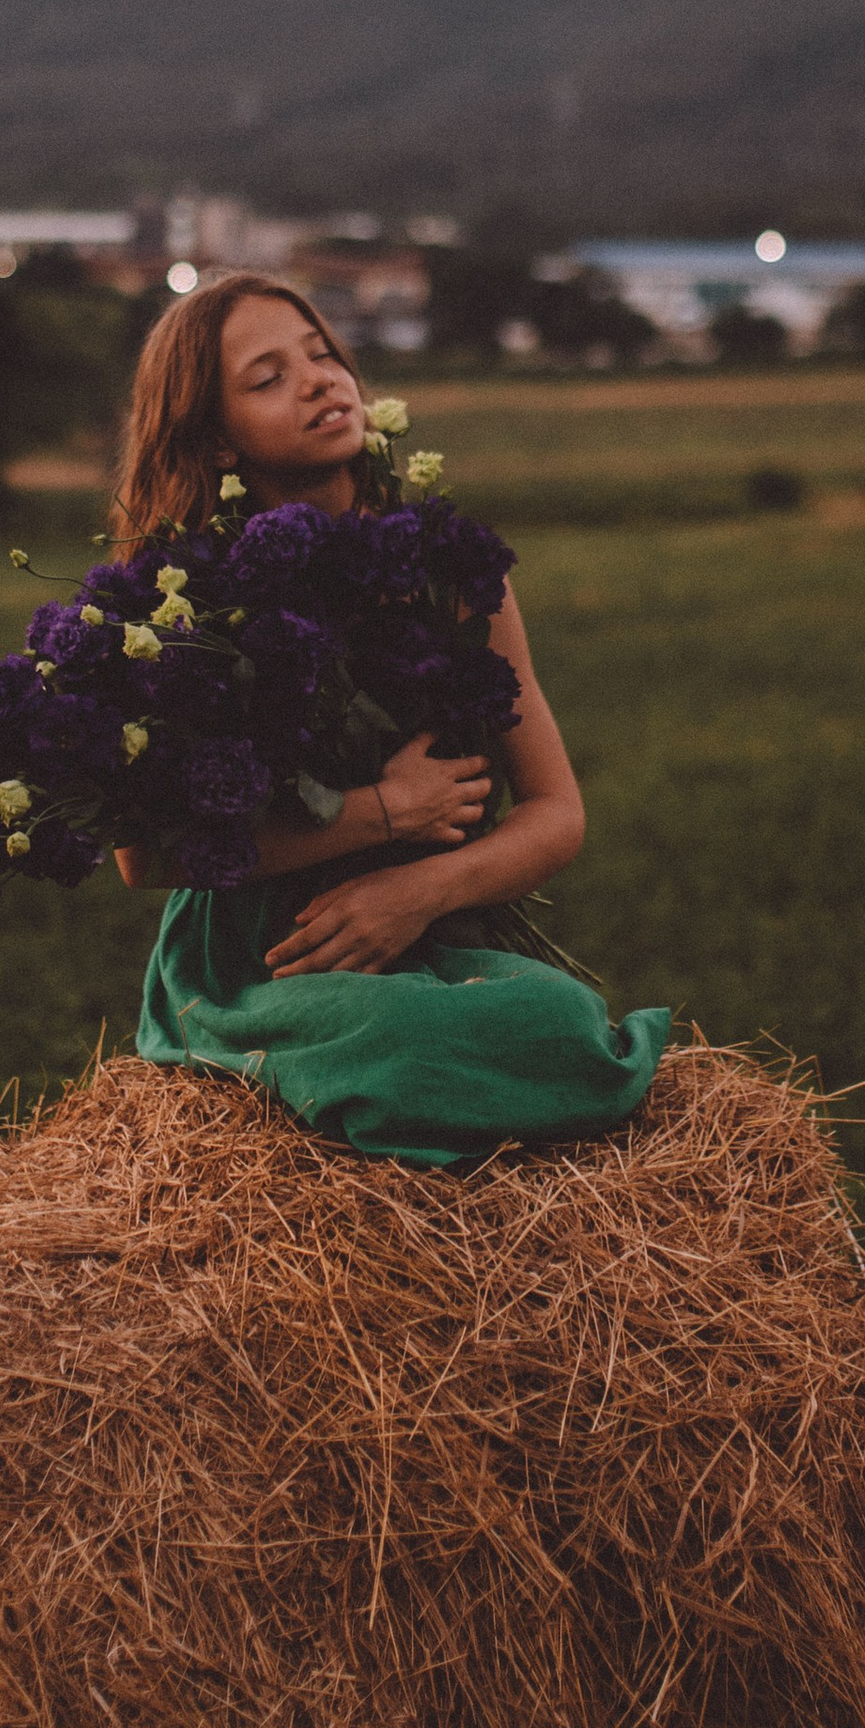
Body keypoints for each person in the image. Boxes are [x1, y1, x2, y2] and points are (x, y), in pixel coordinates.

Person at [117, 271, 671, 1167]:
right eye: (268, 378)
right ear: (216, 439)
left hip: (433, 935)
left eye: (322, 354)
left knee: (559, 1019)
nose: (317, 381)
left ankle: (393, 1103)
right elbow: (145, 858)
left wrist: (419, 892)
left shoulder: (452, 574)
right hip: (263, 965)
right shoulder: (187, 603)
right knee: (400, 1038)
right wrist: (384, 812)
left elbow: (556, 814)